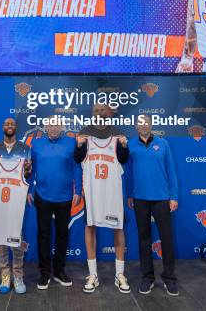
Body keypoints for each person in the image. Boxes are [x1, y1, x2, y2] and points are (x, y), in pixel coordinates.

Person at [74, 103, 130, 294]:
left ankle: (120, 274)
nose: (99, 113)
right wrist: (80, 145)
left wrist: (123, 145)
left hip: (112, 192)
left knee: (118, 227)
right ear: (92, 113)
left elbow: (123, 160)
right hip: (93, 192)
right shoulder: (85, 133)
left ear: (108, 112)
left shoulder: (116, 133)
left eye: (102, 110)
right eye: (95, 110)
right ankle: (93, 274)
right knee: (90, 226)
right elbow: (77, 158)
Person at [127, 114, 179, 296]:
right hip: (140, 198)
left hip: (162, 198)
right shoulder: (130, 144)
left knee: (167, 239)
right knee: (144, 239)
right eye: (140, 123)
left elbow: (171, 171)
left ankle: (170, 278)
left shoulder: (163, 144)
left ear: (151, 124)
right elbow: (128, 173)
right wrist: (129, 194)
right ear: (136, 126)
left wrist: (174, 196)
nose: (143, 125)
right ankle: (147, 277)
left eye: (146, 122)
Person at [27, 123, 82, 290]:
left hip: (64, 196)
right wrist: (29, 189)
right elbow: (31, 168)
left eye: (57, 125)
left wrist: (78, 190)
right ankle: (44, 272)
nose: (53, 128)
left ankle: (59, 271)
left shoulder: (71, 143)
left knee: (62, 234)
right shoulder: (36, 144)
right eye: (50, 125)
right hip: (42, 195)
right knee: (43, 234)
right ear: (45, 127)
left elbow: (77, 167)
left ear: (62, 127)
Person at [0, 118, 31, 295]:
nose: (9, 126)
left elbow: (28, 173)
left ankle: (18, 275)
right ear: (3, 127)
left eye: (12, 124)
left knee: (16, 235)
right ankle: (5, 274)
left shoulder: (25, 149)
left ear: (16, 127)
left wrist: (27, 169)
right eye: (6, 124)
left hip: (17, 199)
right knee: (0, 236)